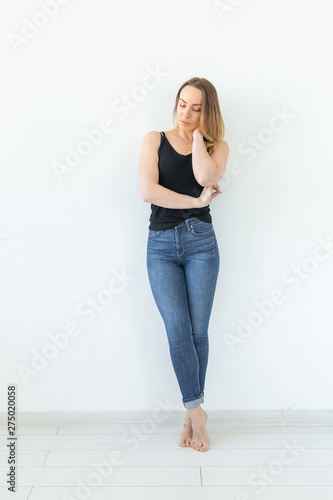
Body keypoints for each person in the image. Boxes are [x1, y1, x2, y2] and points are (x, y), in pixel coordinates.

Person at [138, 77, 229, 452]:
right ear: (174, 103)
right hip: (160, 245)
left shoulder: (216, 146)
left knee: (197, 333)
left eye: (196, 107)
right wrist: (195, 202)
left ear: (207, 112)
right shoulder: (154, 139)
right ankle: (196, 412)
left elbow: (206, 177)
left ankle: (192, 412)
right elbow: (149, 191)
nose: (186, 113)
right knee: (177, 332)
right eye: (182, 104)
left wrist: (195, 138)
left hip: (201, 244)